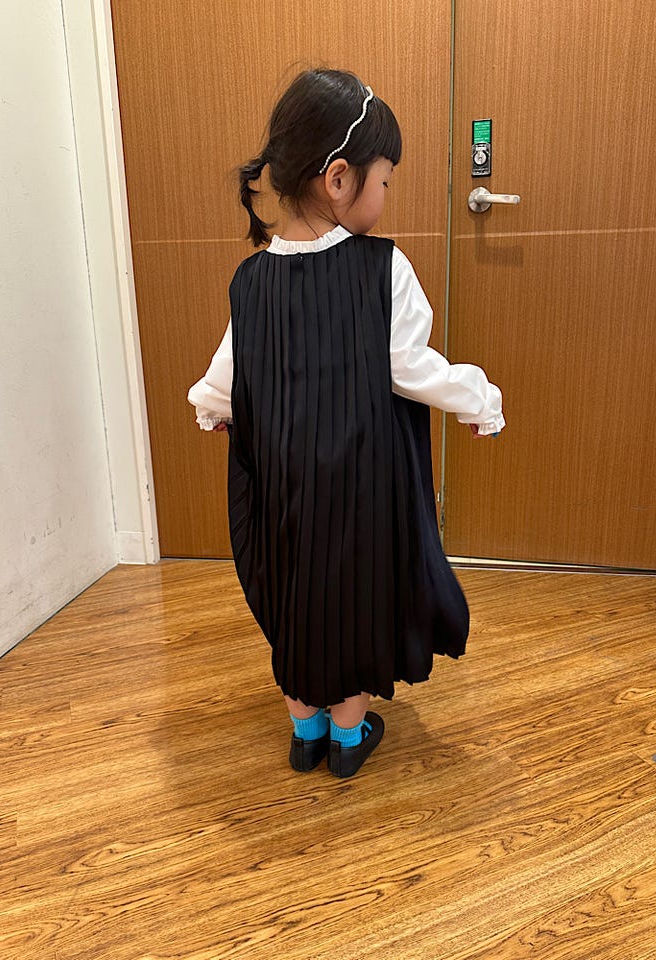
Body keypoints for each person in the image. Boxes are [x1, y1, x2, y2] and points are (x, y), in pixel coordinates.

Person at [188, 68, 505, 779]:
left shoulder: (251, 281)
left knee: (293, 597)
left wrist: (213, 408)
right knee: (351, 602)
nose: (386, 194)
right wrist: (479, 400)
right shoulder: (382, 269)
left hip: (281, 486)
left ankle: (304, 732)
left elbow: (229, 369)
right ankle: (348, 737)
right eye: (384, 179)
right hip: (359, 487)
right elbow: (412, 366)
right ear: (339, 179)